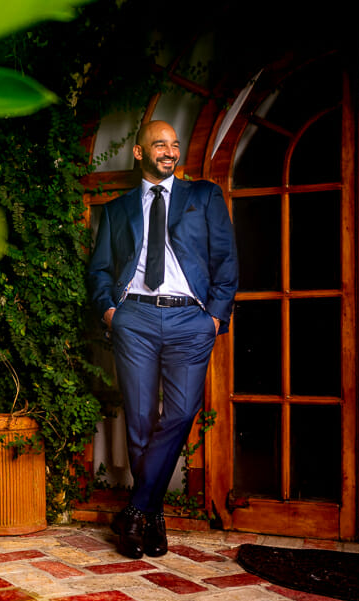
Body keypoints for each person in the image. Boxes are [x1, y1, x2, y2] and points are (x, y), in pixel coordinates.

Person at [86, 120, 239, 559]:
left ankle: (136, 511)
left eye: (174, 145)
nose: (169, 152)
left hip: (190, 319)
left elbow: (226, 259)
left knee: (181, 411)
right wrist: (110, 311)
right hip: (133, 316)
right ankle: (152, 520)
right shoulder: (117, 211)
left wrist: (214, 316)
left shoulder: (203, 196)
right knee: (137, 420)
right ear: (139, 153)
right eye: (160, 144)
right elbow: (98, 270)